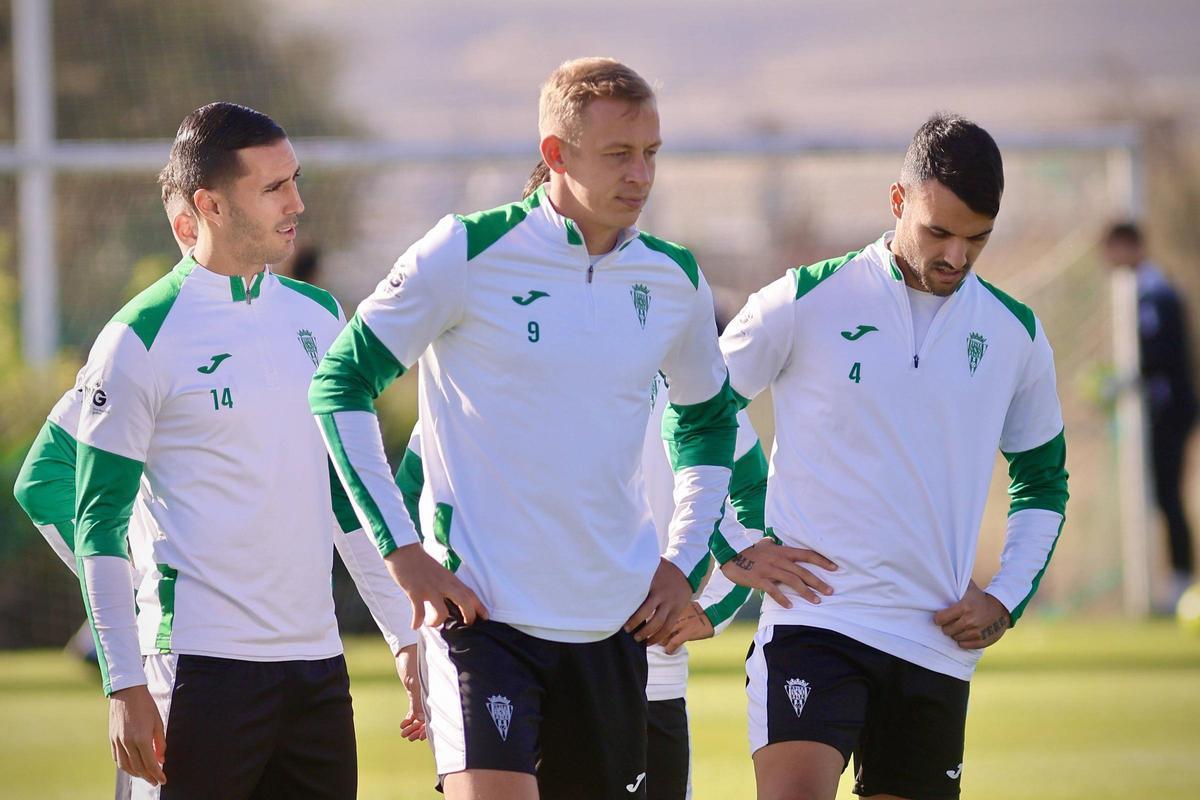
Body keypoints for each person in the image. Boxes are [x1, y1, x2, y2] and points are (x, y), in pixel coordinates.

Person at [309, 58, 821, 800]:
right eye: (618, 154)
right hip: (482, 619)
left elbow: (708, 423)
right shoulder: (464, 252)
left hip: (612, 630)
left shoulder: (673, 279)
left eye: (650, 153)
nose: (640, 175)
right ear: (556, 154)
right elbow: (339, 385)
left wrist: (680, 565)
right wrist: (405, 554)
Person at [68, 102, 422, 799]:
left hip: (317, 670)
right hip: (198, 672)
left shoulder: (319, 318)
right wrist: (124, 684)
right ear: (210, 205)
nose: (297, 203)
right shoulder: (137, 338)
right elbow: (97, 525)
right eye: (272, 188)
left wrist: (404, 636)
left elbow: (346, 500)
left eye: (295, 180)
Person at [722, 113, 1069, 800]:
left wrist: (1004, 598)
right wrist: (736, 538)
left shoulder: (1015, 335)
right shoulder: (803, 300)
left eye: (977, 239)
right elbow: (698, 407)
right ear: (897, 201)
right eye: (938, 232)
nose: (956, 258)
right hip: (815, 620)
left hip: (935, 642)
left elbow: (1042, 481)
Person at [1103, 221, 1197, 608]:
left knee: (1169, 497)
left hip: (1170, 413)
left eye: (1113, 249)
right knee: (1161, 497)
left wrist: (1128, 380)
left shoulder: (1157, 294)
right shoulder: (1142, 292)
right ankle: (1173, 581)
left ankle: (1182, 581)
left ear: (1130, 246)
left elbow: (1163, 355)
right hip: (1158, 414)